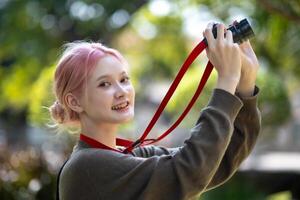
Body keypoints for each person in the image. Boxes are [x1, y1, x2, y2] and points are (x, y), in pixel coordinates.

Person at [50, 22, 261, 200]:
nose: (121, 92)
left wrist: (246, 83)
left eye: (124, 80)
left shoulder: (129, 156)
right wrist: (226, 80)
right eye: (104, 84)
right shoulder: (86, 166)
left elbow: (215, 162)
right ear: (75, 102)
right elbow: (190, 170)